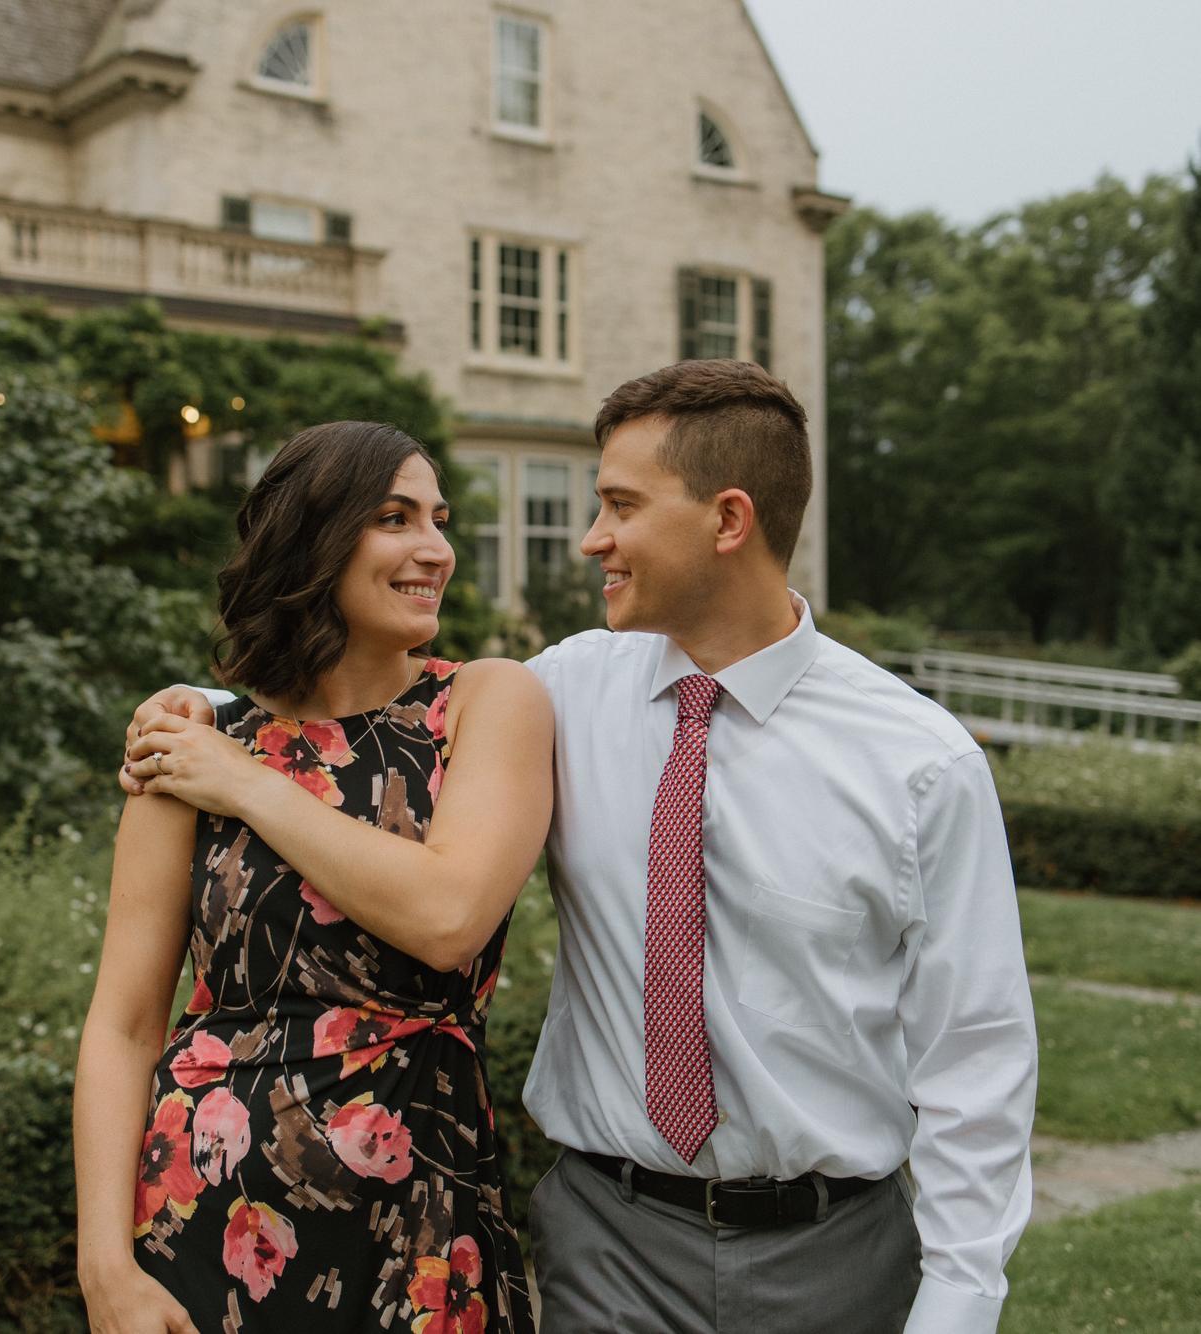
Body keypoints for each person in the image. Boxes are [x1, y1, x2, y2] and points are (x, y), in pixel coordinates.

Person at [124, 360, 1038, 1334]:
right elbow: (363, 709)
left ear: (727, 521)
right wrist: (206, 711)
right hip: (607, 1244)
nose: (589, 535)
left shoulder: (918, 763)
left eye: (618, 504)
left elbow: (974, 1058)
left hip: (833, 1253)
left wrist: (956, 1304)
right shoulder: (561, 691)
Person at [75, 421, 551, 1334]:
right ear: (314, 539)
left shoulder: (486, 703)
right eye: (395, 517)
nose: (437, 550)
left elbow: (448, 915)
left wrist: (247, 783)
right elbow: (124, 1025)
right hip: (198, 1223)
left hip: (422, 1233)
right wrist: (105, 1271)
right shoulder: (192, 749)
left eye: (440, 520)